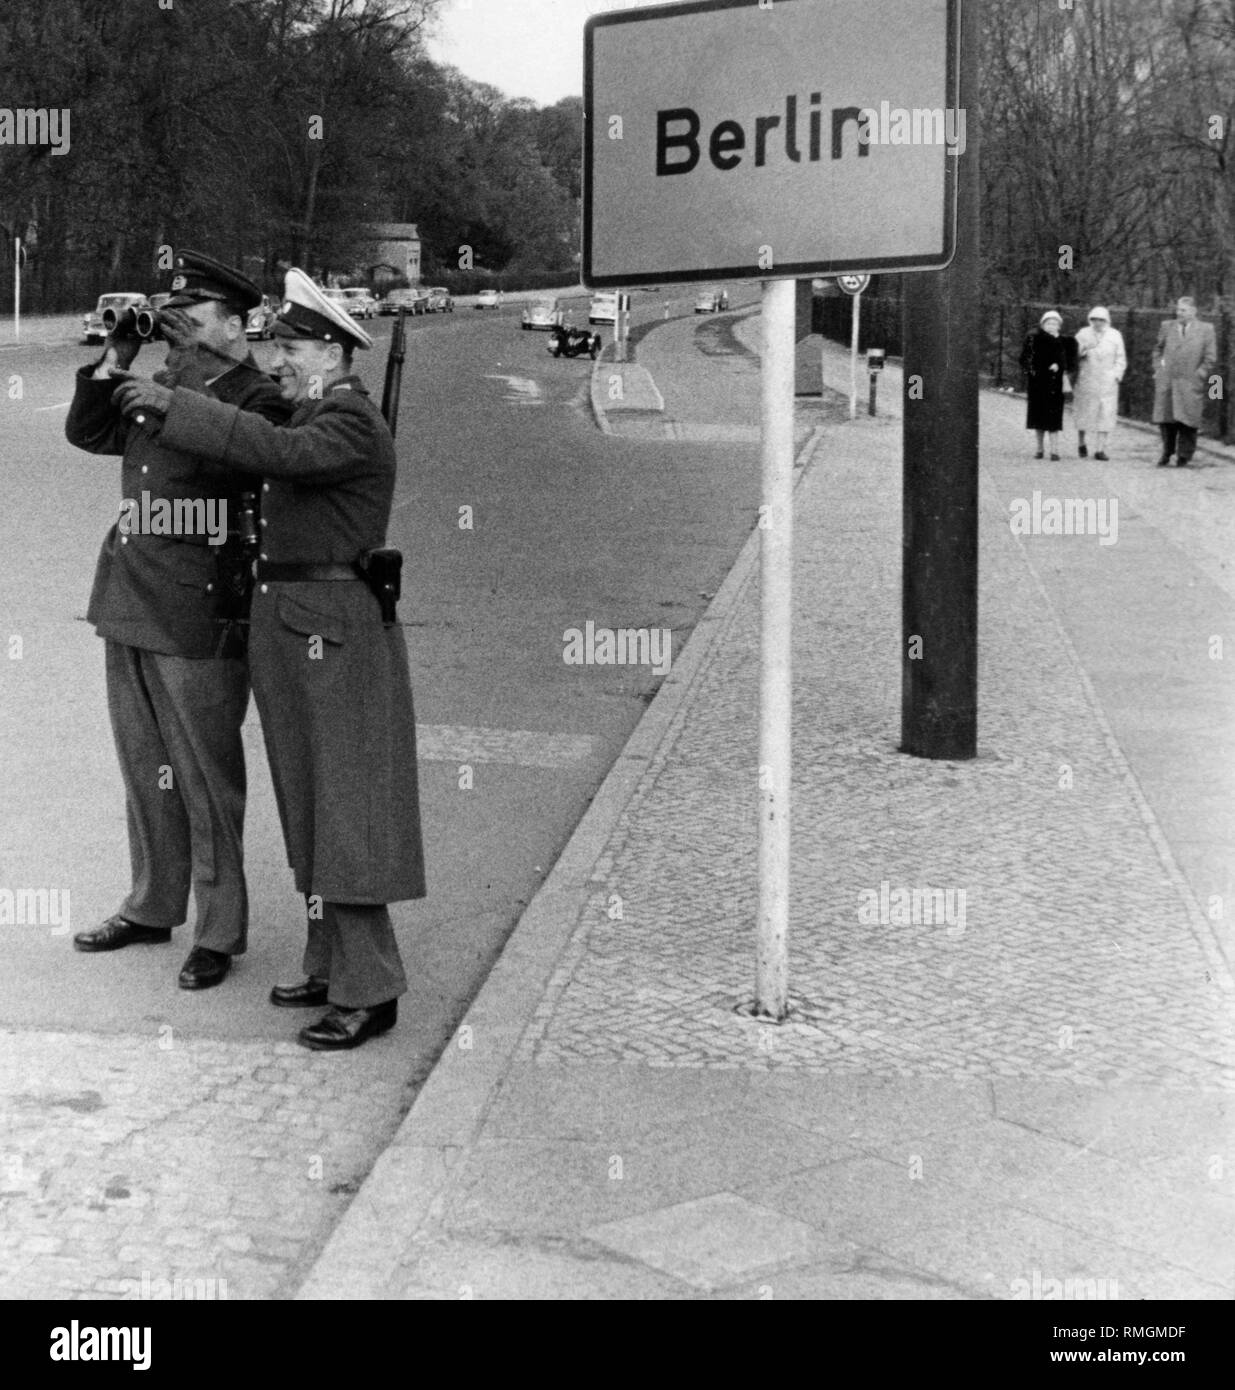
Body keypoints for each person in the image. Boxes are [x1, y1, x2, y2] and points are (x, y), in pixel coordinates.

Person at [114, 269, 426, 1051]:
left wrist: (175, 405)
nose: (276, 360)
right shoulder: (320, 410)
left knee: (346, 811)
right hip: (294, 632)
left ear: (329, 355)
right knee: (310, 806)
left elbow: (274, 449)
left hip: (336, 637)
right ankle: (327, 963)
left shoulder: (348, 423)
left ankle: (370, 988)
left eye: (290, 349)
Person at [65, 251, 290, 990]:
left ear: (235, 324)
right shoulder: (159, 380)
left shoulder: (260, 399)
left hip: (201, 608)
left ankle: (219, 931)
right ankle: (152, 904)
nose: (179, 331)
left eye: (192, 320)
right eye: (174, 319)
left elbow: (243, 461)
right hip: (130, 595)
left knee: (205, 778)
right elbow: (88, 434)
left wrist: (170, 390)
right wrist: (117, 356)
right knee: (145, 768)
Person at [1152, 296, 1218, 467]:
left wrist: (1200, 374)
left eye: (1183, 310)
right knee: (1167, 420)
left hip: (1190, 381)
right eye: (1178, 309)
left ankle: (1184, 455)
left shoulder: (1206, 329)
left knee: (1188, 420)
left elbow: (1210, 357)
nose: (1179, 313)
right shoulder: (1167, 326)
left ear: (1193, 311)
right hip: (1168, 380)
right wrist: (1159, 369)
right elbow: (1158, 349)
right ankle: (1167, 451)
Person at [1019, 310, 1077, 459]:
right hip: (1038, 384)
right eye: (1048, 323)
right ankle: (1039, 449)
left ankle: (1054, 451)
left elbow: (1072, 363)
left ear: (1059, 325)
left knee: (1054, 418)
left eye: (1054, 323)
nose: (1051, 326)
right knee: (1038, 417)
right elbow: (1025, 360)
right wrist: (1037, 370)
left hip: (1056, 385)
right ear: (1043, 325)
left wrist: (1060, 366)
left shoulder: (1067, 342)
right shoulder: (1034, 339)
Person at [1073, 306, 1126, 460]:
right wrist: (1083, 350)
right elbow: (1073, 354)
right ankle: (1081, 442)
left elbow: (1120, 358)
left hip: (1107, 380)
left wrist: (1116, 375)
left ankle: (1100, 449)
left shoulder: (1115, 335)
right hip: (1087, 377)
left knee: (1106, 412)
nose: (1098, 322)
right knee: (1084, 411)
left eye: (1101, 320)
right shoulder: (1083, 334)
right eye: (1094, 319)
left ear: (1107, 320)